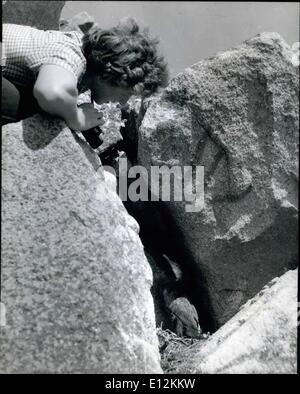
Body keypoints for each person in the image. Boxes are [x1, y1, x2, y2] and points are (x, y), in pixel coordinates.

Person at [2, 17, 169, 147]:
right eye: (128, 93)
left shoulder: (81, 55)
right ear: (109, 74)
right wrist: (76, 117)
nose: (124, 103)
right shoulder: (72, 55)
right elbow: (50, 92)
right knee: (19, 103)